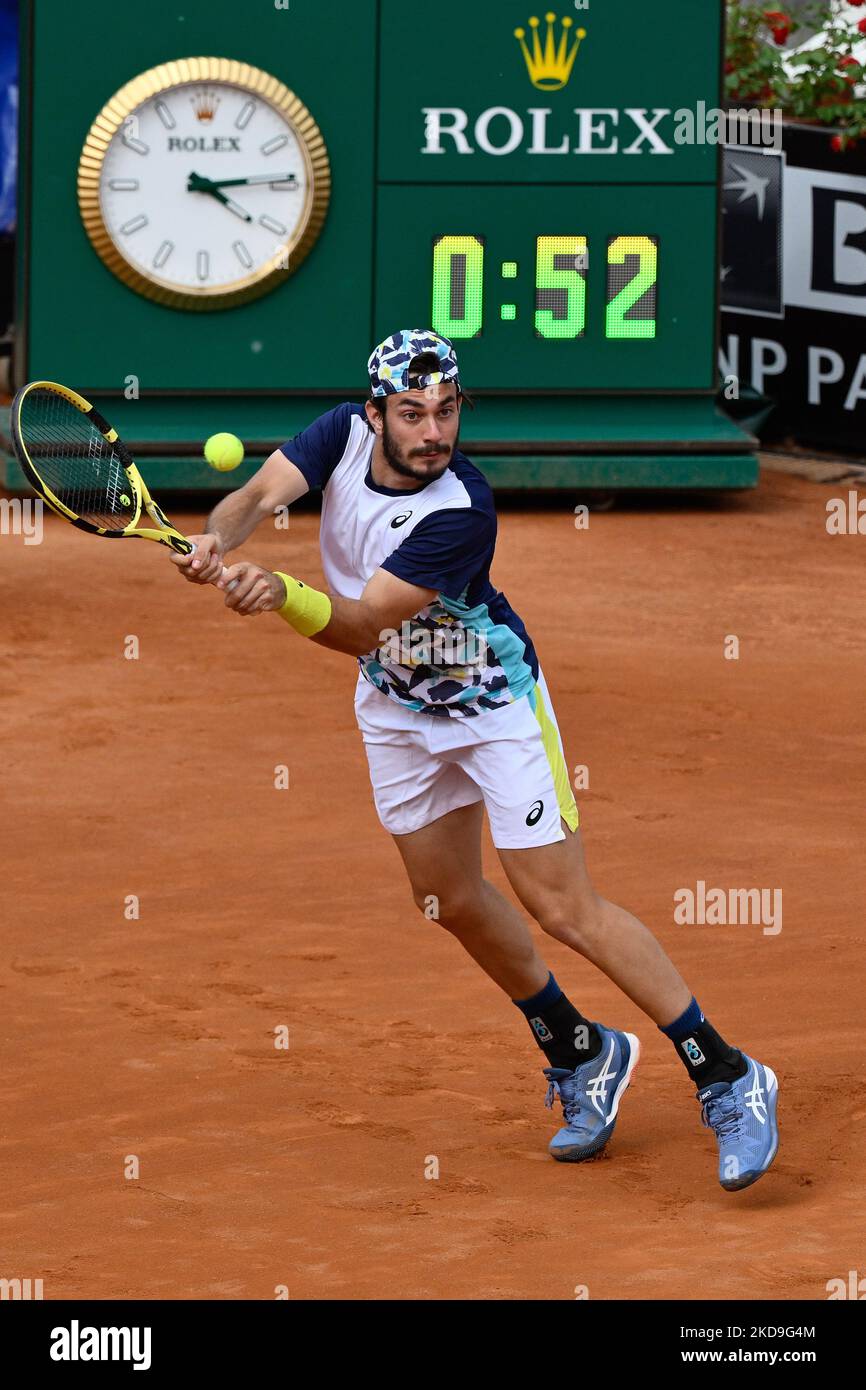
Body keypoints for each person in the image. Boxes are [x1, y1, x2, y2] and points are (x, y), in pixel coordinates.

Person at [172, 328, 779, 1191]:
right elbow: (262, 490)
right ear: (375, 413)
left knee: (560, 904)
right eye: (413, 414)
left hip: (495, 708)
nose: (433, 432)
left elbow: (358, 625)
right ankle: (583, 1050)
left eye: (447, 412)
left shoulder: (460, 510)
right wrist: (218, 538)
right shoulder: (340, 433)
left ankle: (728, 1073)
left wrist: (278, 593)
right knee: (446, 898)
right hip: (398, 710)